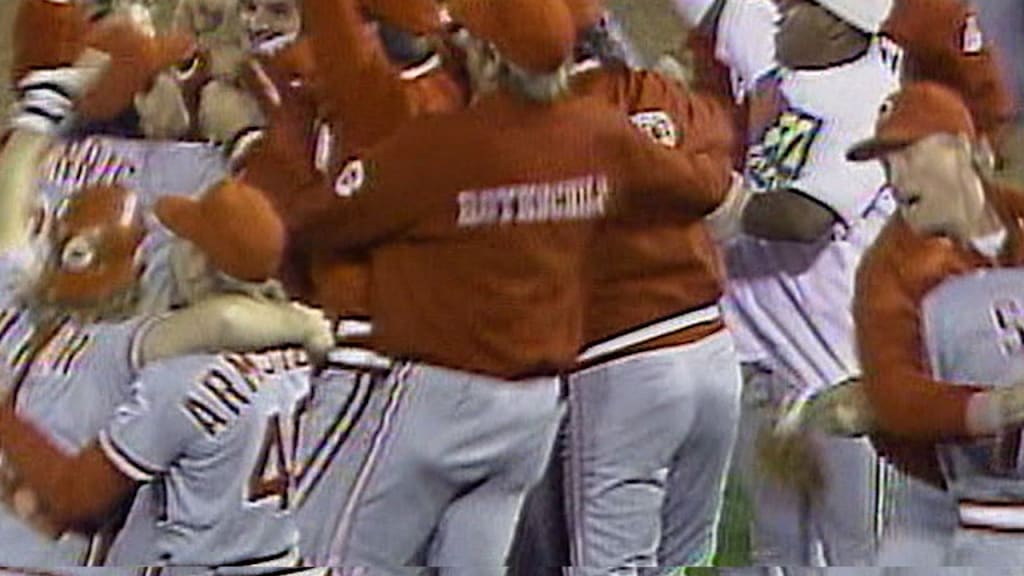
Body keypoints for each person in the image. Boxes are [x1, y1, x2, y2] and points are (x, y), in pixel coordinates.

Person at [285, 0, 737, 570]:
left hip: (442, 391)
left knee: (338, 561)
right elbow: (707, 188)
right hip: (532, 410)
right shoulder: (602, 135)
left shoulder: (448, 146)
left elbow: (320, 223)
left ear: (493, 59)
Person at [713, 0, 901, 566]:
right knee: (774, 553)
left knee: (855, 557)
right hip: (760, 367)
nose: (778, 13)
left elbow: (804, 218)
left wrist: (711, 199)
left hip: (839, 381)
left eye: (795, 7)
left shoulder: (873, 104)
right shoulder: (788, 58)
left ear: (838, 25)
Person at [853, 81, 1024, 567]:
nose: (894, 176)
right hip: (942, 497)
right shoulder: (889, 269)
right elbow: (894, 393)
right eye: (886, 163)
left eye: (907, 155)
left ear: (962, 150)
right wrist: (992, 408)